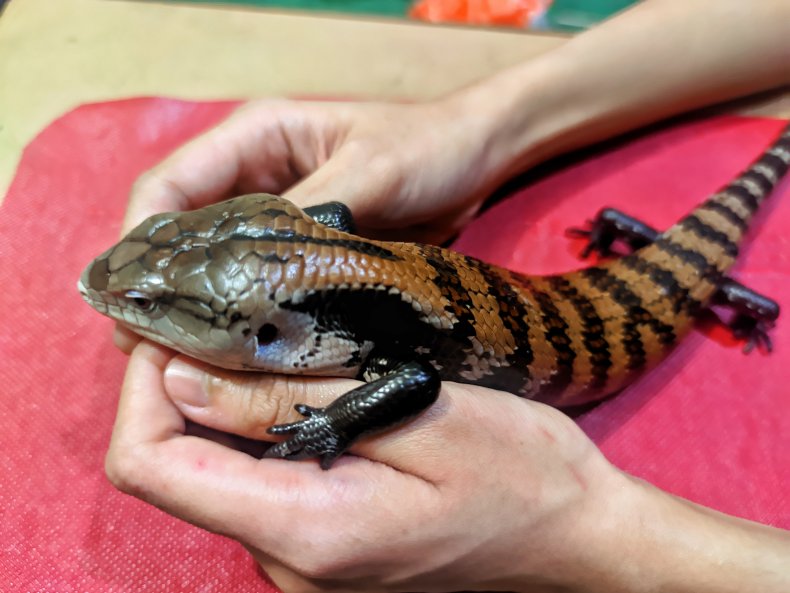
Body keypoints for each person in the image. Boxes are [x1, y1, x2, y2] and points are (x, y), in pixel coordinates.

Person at [107, 1, 790, 591]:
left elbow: (416, 379)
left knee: (718, 229)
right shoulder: (348, 290)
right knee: (708, 224)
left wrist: (589, 536)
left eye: (147, 303)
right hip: (575, 289)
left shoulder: (372, 329)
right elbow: (335, 220)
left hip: (607, 319)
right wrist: (481, 123)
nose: (118, 301)